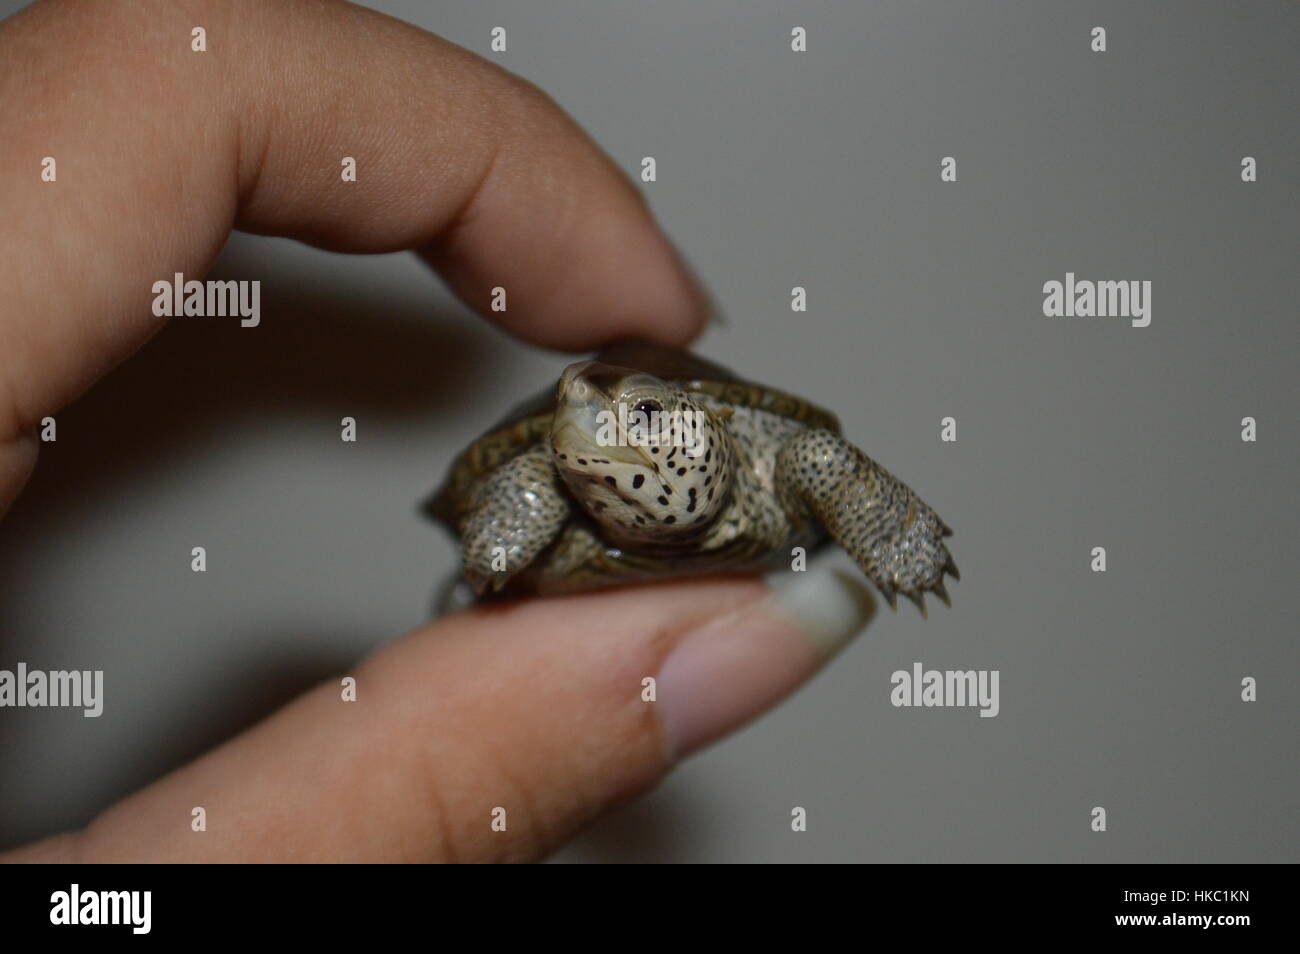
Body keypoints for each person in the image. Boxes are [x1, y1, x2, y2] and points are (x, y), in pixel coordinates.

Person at [0, 0, 872, 863]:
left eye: (636, 415)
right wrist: (495, 551)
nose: (592, 426)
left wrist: (887, 526)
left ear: (698, 430)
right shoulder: (553, 481)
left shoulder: (766, 451)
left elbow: (821, 454)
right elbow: (537, 477)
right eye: (581, 420)